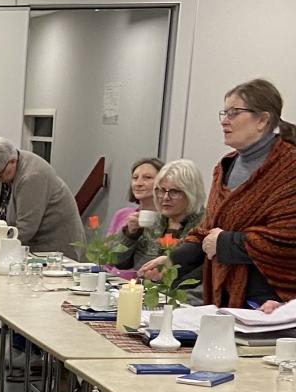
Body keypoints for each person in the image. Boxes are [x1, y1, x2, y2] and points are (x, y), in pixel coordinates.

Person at [141, 80, 296, 309]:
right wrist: (173, 261)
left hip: (270, 301)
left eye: (234, 113)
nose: (224, 121)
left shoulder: (289, 167)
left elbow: (287, 238)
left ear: (262, 120)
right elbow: (207, 230)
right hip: (223, 295)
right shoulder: (225, 166)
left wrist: (225, 242)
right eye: (224, 113)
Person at [0, 136, 84, 257]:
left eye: (0, 175)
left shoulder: (32, 177)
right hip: (30, 245)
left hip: (54, 248)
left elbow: (25, 229)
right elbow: (4, 202)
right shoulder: (4, 168)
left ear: (12, 161)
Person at [118, 159, 206, 281]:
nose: (165, 197)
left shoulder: (204, 226)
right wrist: (130, 234)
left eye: (174, 192)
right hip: (141, 288)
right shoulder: (153, 221)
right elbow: (118, 262)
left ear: (191, 193)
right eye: (161, 190)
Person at [108, 157, 161, 236]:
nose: (138, 183)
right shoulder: (122, 214)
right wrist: (128, 232)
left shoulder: (169, 219)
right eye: (135, 178)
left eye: (147, 177)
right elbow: (108, 244)